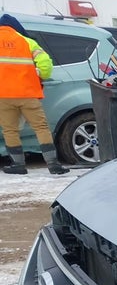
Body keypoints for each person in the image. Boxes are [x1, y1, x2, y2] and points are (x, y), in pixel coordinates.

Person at [0, 14, 68, 175]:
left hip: (4, 96)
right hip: (28, 93)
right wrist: (40, 75)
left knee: (10, 130)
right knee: (41, 128)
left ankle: (18, 165)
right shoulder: (27, 42)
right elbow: (45, 64)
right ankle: (52, 164)